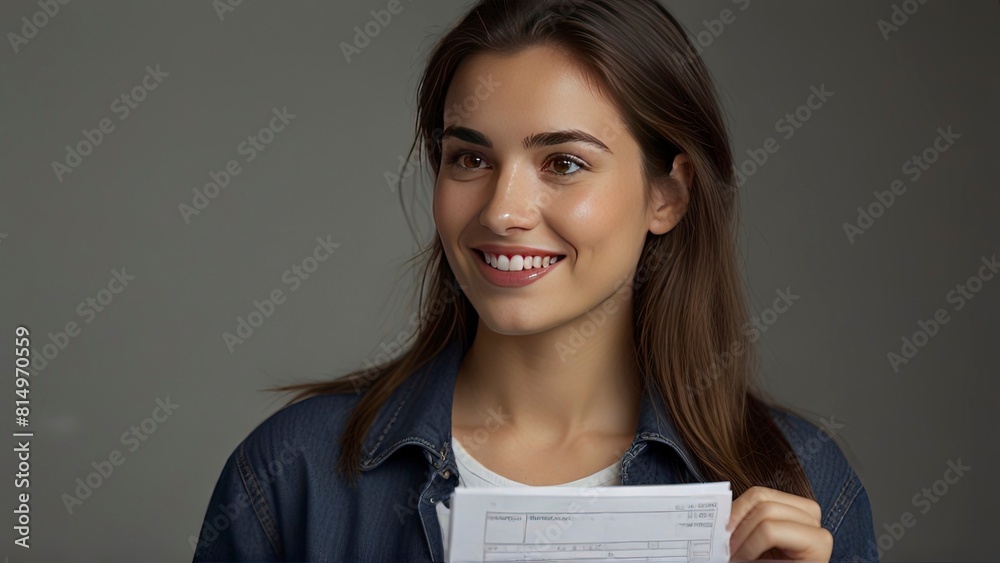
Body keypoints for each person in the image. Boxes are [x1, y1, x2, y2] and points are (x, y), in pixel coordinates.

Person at [193, 1, 879, 561]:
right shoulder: (294, 474)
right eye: (469, 158)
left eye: (564, 163)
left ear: (667, 195)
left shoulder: (803, 484)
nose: (502, 210)